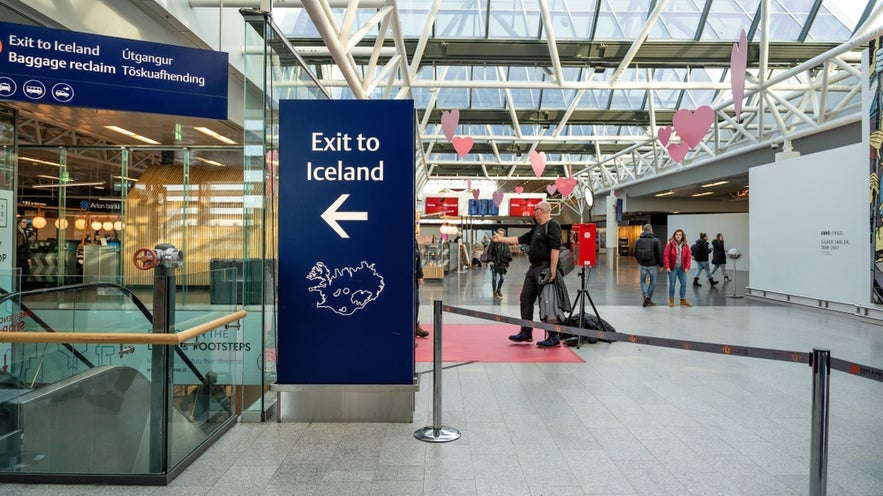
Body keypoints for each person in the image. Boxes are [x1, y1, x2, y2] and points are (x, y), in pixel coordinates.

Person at [491, 201, 564, 348]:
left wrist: (553, 269)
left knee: (547, 301)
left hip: (545, 267)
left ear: (542, 210)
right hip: (533, 269)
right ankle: (526, 331)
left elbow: (555, 249)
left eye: (535, 210)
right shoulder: (537, 228)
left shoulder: (553, 225)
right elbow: (518, 239)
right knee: (525, 298)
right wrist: (500, 239)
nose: (533, 212)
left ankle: (553, 336)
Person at [633, 224, 663, 307]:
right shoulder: (656, 240)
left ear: (643, 230)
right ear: (651, 230)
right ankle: (648, 298)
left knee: (642, 281)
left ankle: (645, 295)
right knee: (652, 282)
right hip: (653, 265)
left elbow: (634, 253)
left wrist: (639, 261)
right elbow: (659, 253)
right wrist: (661, 264)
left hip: (642, 265)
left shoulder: (637, 240)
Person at [663, 229, 692, 307]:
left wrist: (687, 266)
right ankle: (671, 300)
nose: (678, 236)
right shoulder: (670, 244)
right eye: (677, 235)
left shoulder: (686, 245)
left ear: (682, 236)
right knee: (672, 284)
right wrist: (667, 266)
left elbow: (689, 257)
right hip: (673, 268)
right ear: (674, 235)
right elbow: (666, 256)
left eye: (680, 235)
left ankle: (683, 300)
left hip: (682, 268)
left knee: (684, 284)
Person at [488, 228, 512, 299]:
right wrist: (490, 260)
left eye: (502, 234)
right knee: (494, 278)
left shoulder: (505, 242)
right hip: (494, 262)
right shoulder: (493, 241)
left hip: (502, 263)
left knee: (502, 278)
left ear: (503, 234)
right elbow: (489, 252)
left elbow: (508, 253)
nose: (500, 235)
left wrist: (507, 262)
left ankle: (498, 289)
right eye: (499, 233)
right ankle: (494, 292)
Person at [415, 241, 429, 338]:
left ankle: (414, 327)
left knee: (416, 303)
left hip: (413, 277)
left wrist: (420, 275)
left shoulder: (414, 241)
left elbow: (418, 259)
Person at [16, 218, 31, 288]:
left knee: (26, 272)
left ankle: (20, 288)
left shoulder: (24, 231)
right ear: (19, 223)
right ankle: (18, 288)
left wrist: (28, 257)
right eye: (24, 222)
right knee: (19, 274)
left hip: (24, 257)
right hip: (18, 257)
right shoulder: (16, 232)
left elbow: (27, 245)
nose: (26, 224)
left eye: (26, 222)